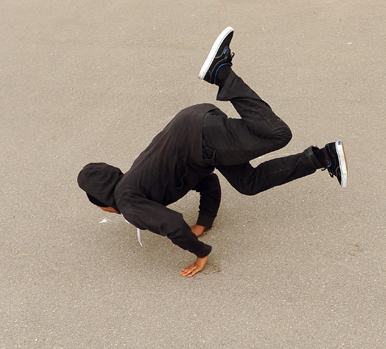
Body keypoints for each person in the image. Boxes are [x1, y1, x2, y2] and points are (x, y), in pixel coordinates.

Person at [77, 27, 347, 277]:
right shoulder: (141, 182)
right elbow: (209, 181)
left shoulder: (128, 204)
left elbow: (171, 224)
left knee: (278, 135)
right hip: (199, 137)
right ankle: (324, 157)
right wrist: (203, 221)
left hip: (201, 137)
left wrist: (200, 253)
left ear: (105, 205)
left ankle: (221, 73)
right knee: (247, 184)